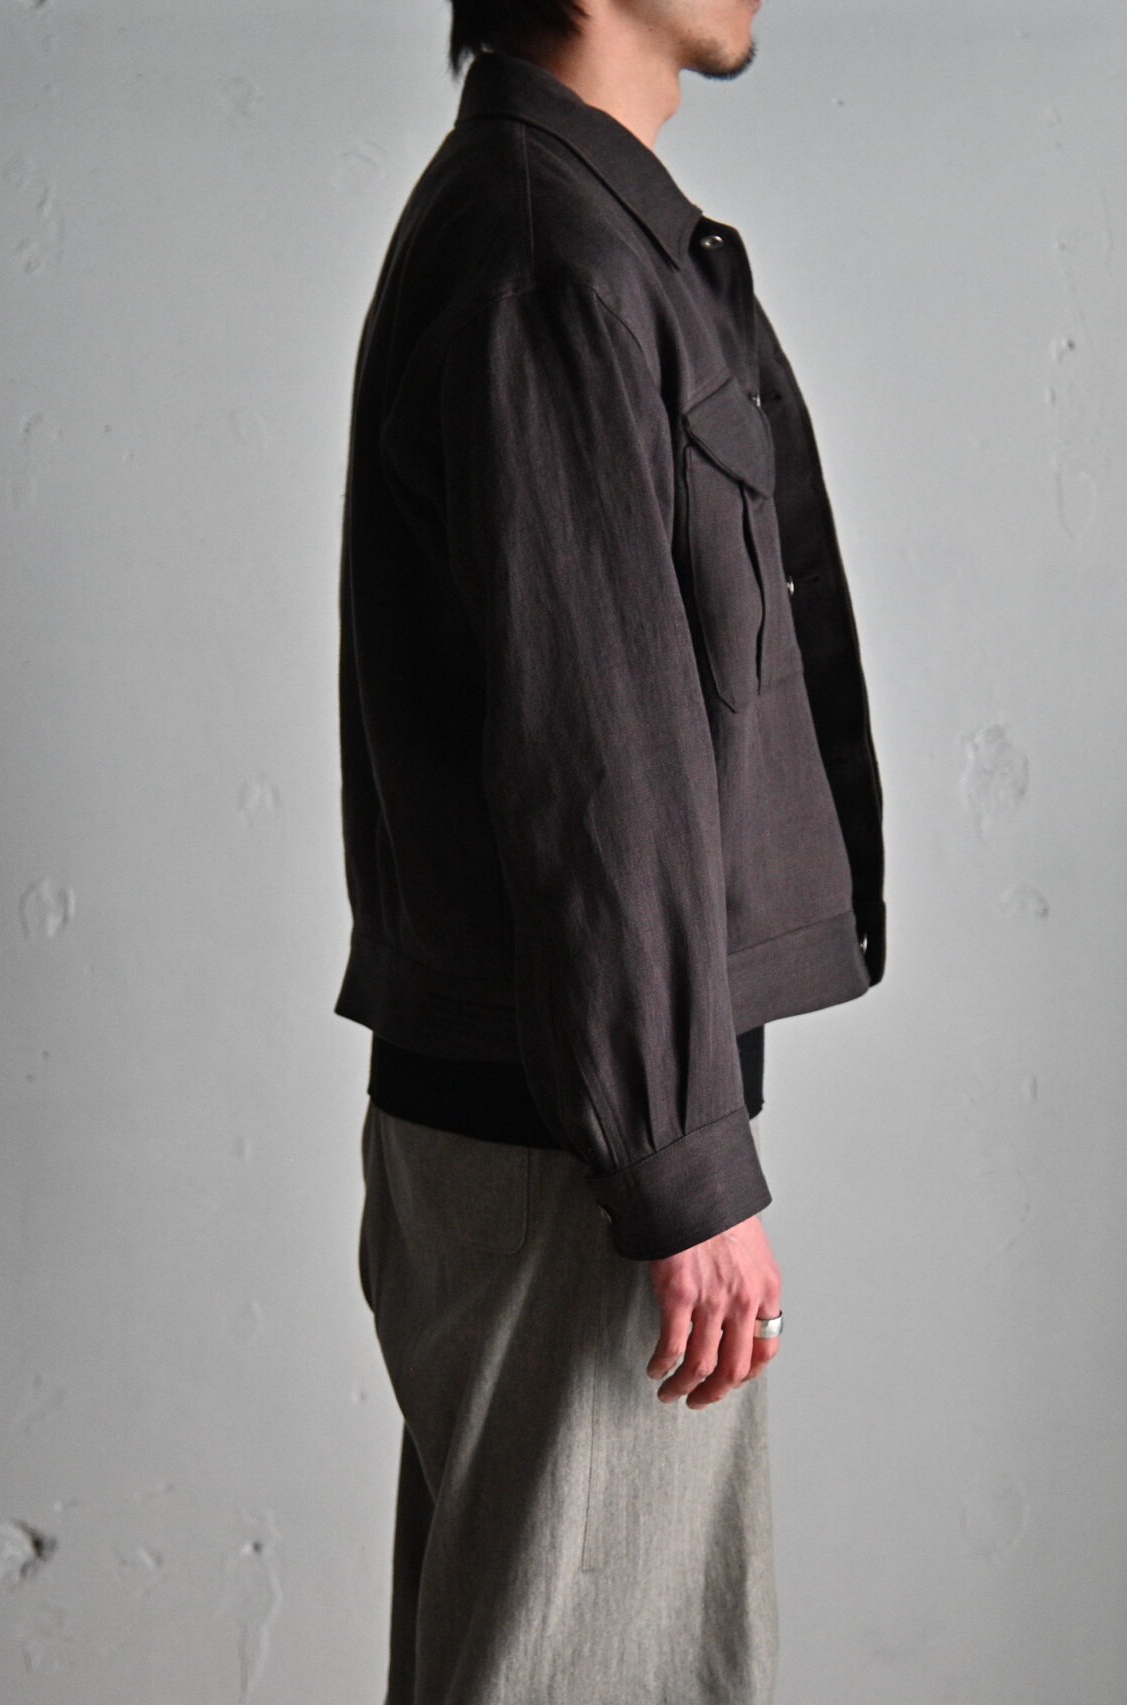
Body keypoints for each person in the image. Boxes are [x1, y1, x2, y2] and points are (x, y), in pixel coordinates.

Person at [333, 0, 885, 1698]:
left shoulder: (585, 231)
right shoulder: (546, 257)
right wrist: (675, 1156)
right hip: (575, 1145)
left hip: (569, 1117)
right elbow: (599, 755)